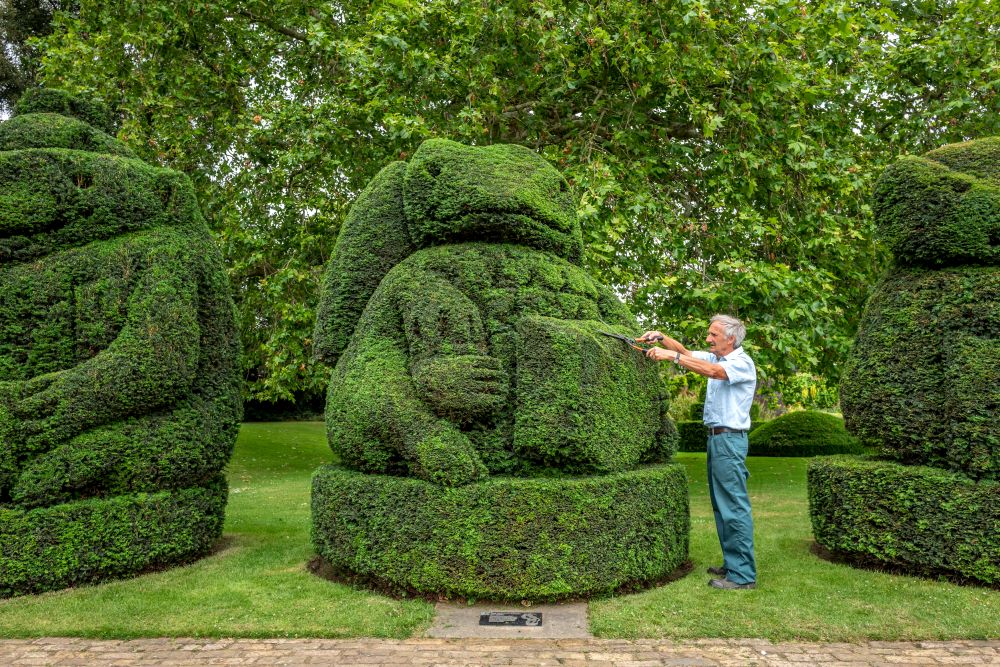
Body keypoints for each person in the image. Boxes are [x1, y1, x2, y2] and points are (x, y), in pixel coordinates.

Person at [639, 315, 758, 590]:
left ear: (730, 338)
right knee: (721, 505)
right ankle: (733, 564)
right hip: (718, 440)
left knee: (733, 506)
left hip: (729, 440)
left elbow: (710, 372)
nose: (708, 339)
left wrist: (672, 358)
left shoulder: (741, 363)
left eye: (713, 335)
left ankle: (743, 576)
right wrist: (661, 337)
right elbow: (687, 353)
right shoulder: (717, 357)